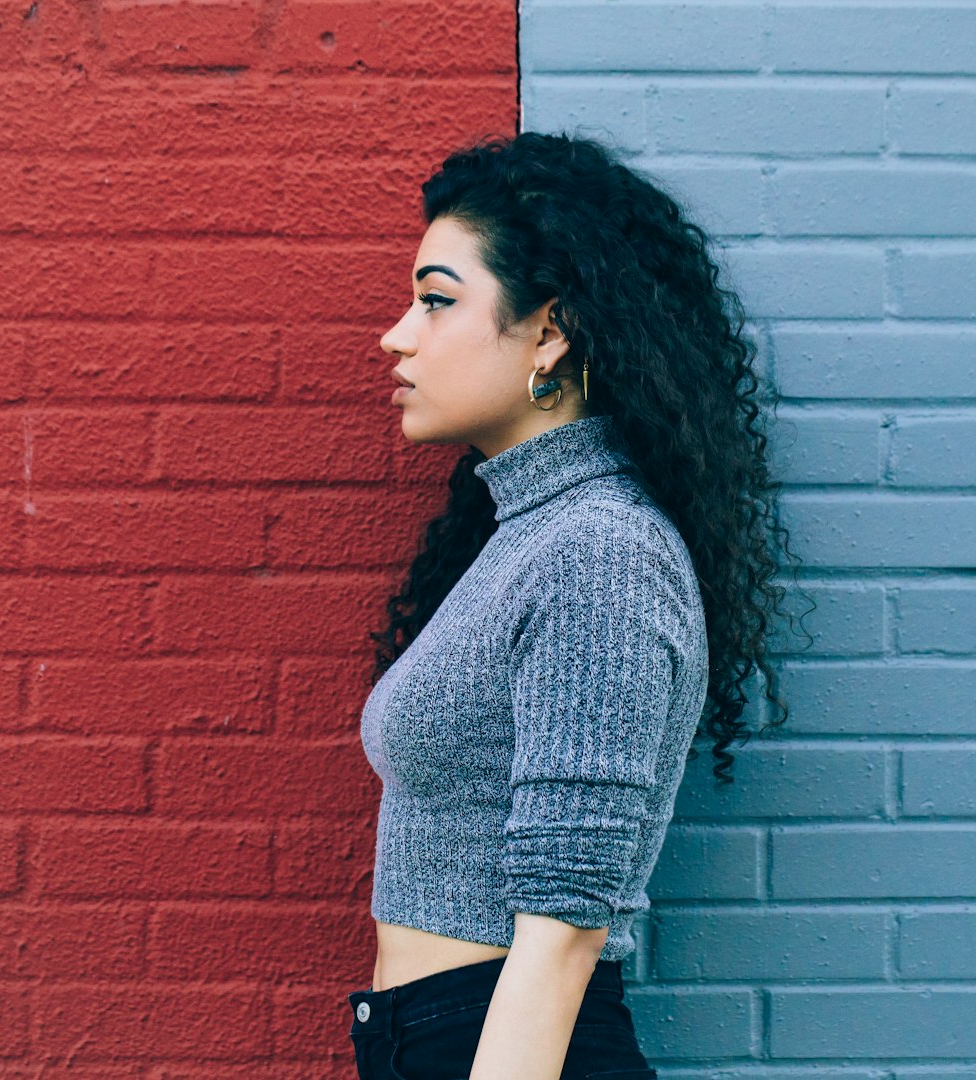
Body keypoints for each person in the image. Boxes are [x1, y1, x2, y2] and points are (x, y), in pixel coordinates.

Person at [346, 131, 800, 1080]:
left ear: (549, 333)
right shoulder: (525, 534)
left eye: (436, 300)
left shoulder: (598, 553)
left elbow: (559, 937)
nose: (399, 334)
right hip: (437, 1039)